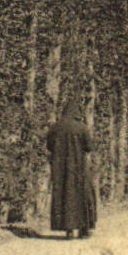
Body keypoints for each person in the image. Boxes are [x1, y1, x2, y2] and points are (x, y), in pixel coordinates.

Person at [46, 89, 96, 239]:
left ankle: (67, 229)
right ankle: (84, 228)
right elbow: (89, 147)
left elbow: (49, 146)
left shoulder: (55, 127)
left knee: (64, 195)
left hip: (60, 168)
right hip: (79, 167)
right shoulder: (81, 127)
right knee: (83, 195)